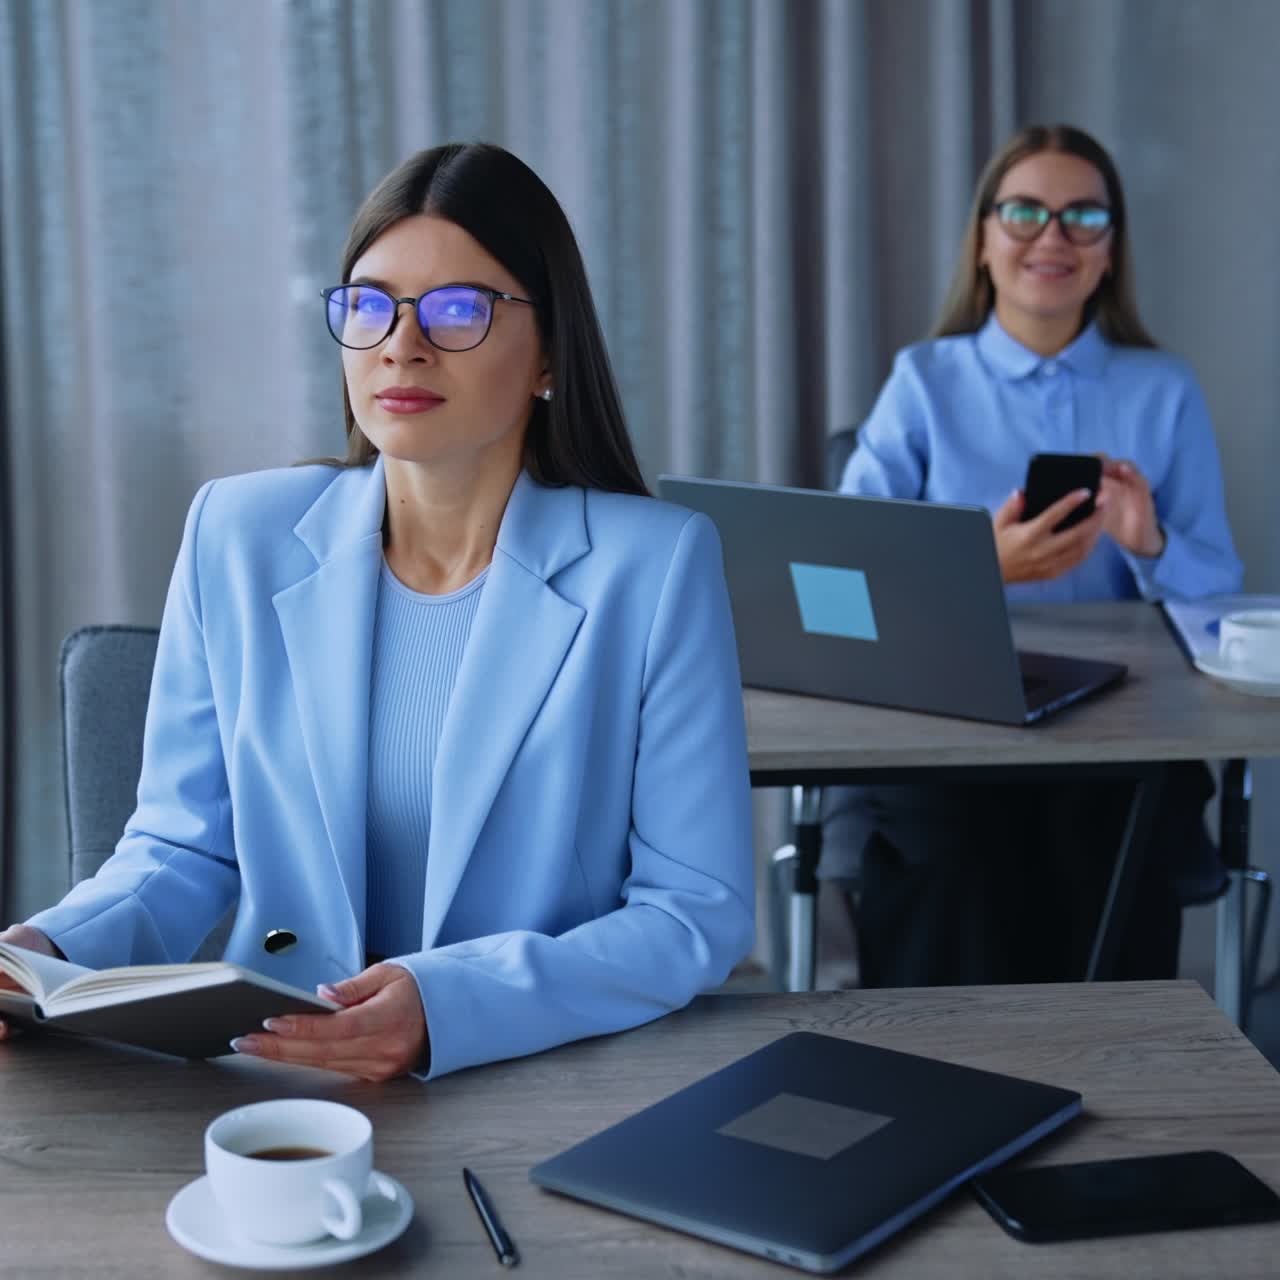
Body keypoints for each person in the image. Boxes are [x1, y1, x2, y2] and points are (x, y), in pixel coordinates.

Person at [0, 142, 754, 1079]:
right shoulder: (235, 534)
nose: (403, 341)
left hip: (532, 1076)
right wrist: (44, 950)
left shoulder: (654, 566)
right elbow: (179, 850)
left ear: (550, 353)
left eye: (458, 309)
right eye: (369, 304)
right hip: (281, 1085)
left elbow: (694, 912)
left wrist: (451, 1004)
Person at [821, 123, 1242, 987]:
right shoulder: (924, 379)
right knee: (949, 856)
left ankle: (1113, 1089)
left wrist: (1149, 543)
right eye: (1024, 212)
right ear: (983, 240)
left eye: (1083, 216)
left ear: (1109, 249)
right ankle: (942, 1080)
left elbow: (1223, 598)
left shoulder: (1163, 389)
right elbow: (839, 577)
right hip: (946, 721)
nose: (1053, 236)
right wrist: (986, 566)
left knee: (1120, 847)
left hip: (1122, 729)